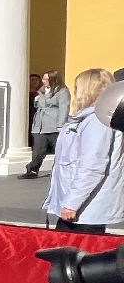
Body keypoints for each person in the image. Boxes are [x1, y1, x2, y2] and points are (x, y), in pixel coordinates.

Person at [43, 68, 124, 234]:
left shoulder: (97, 120)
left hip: (85, 210)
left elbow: (93, 166)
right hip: (81, 208)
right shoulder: (91, 117)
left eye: (77, 86)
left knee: (73, 256)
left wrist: (72, 203)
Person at [21, 70, 70, 179]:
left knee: (59, 149)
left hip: (53, 124)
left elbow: (64, 107)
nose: (44, 81)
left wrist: (61, 124)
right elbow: (38, 104)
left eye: (46, 79)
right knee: (38, 149)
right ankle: (32, 170)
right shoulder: (42, 90)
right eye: (43, 79)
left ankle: (61, 171)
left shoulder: (62, 91)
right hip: (39, 124)